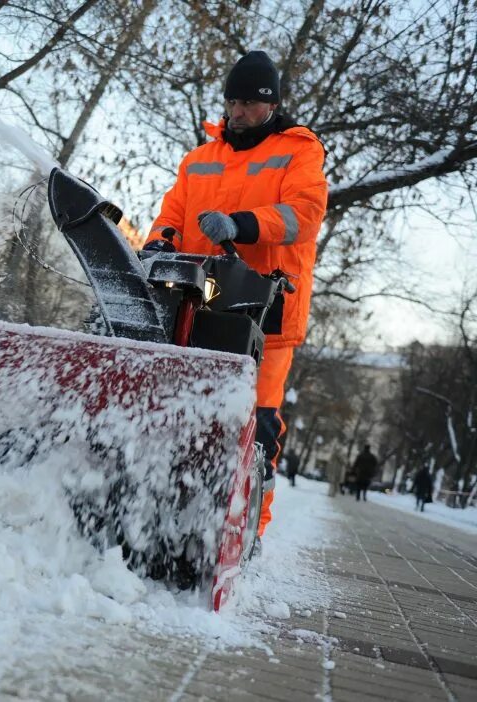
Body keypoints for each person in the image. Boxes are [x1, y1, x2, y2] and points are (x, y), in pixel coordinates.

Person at [143, 50, 328, 540]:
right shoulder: (199, 159)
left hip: (268, 310)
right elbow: (172, 214)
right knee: (185, 410)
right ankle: (171, 507)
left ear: (270, 105)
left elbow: (304, 213)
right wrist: (160, 240)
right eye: (233, 101)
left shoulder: (300, 151)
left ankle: (246, 531)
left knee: (256, 422)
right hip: (198, 301)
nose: (238, 111)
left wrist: (242, 225)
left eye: (249, 102)